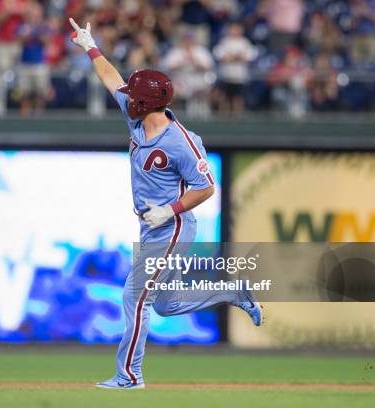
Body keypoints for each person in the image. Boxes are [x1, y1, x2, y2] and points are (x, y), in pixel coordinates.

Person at [68, 17, 263, 389]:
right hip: (153, 223)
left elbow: (206, 187)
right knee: (166, 304)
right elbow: (110, 77)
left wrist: (169, 210)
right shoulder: (135, 114)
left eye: (134, 91)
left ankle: (130, 374)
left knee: (134, 296)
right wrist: (90, 46)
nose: (127, 94)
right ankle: (233, 292)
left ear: (145, 100)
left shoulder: (182, 141)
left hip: (170, 226)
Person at [161, 31, 214, 117]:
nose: (188, 41)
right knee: (172, 92)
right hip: (179, 82)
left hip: (198, 81)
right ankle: (174, 116)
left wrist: (194, 60)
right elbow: (166, 66)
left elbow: (208, 66)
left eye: (190, 39)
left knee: (201, 93)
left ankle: (201, 116)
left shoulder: (200, 51)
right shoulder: (176, 51)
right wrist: (181, 62)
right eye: (186, 39)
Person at [213, 22, 256, 113]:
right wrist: (236, 57)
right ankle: (223, 117)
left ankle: (237, 116)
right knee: (224, 97)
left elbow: (249, 56)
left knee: (238, 98)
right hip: (226, 75)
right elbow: (220, 55)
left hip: (239, 76)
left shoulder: (245, 42)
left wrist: (234, 57)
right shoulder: (224, 41)